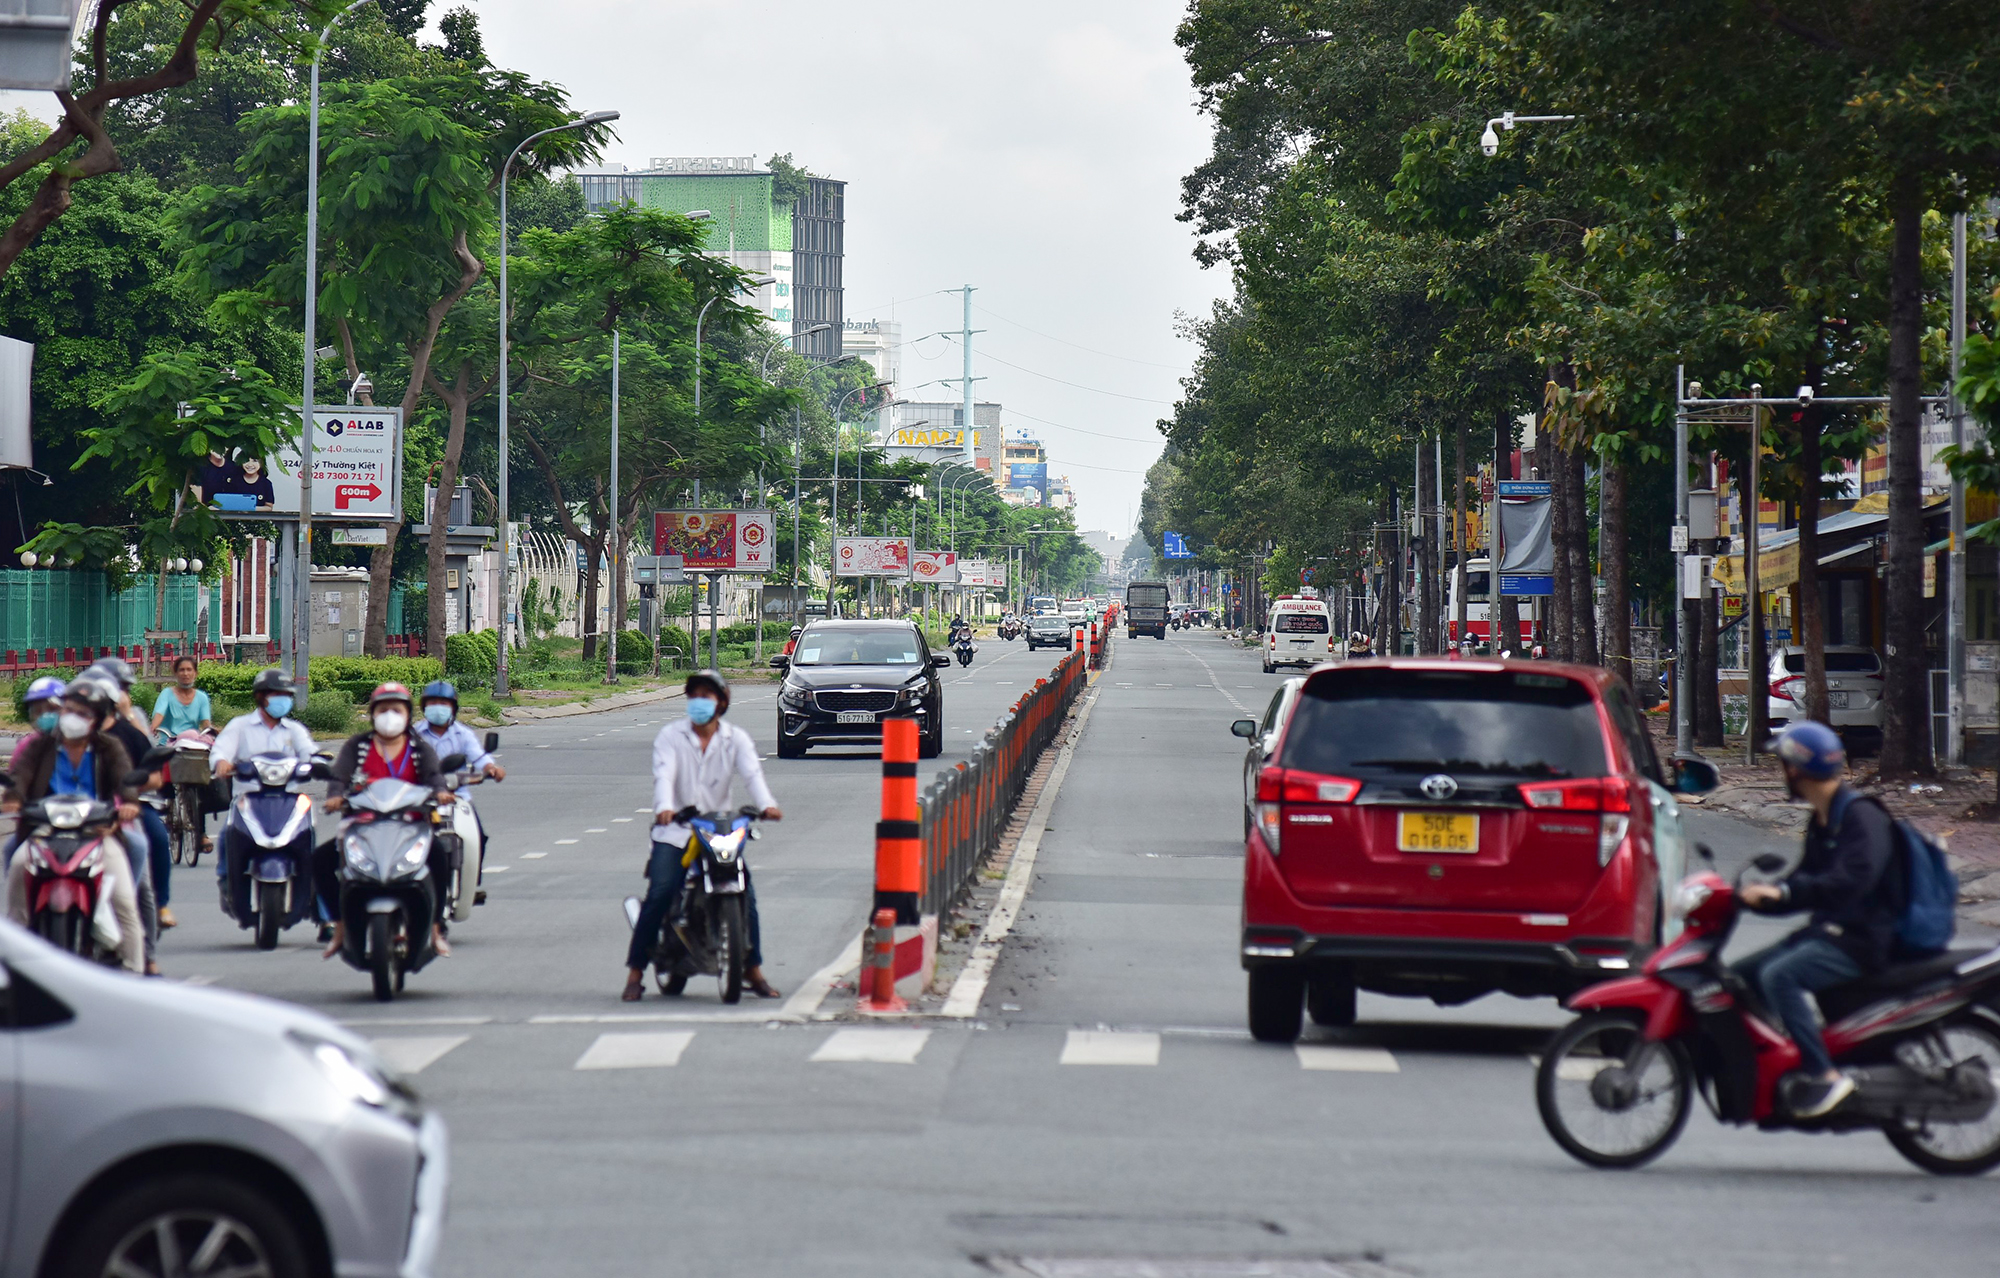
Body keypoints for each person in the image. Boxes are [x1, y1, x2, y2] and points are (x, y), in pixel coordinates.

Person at [1733, 720, 1904, 1119]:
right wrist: (1755, 899)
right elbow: (1804, 882)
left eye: (1783, 765)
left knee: (1780, 975)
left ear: (1796, 769)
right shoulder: (1822, 820)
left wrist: (1787, 893)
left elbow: (1851, 880)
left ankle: (1823, 1075)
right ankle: (1782, 1058)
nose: (1782, 773)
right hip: (1830, 932)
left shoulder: (1861, 818)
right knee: (1741, 975)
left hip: (1864, 939)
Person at [623, 670, 782, 1003]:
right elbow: (664, 775)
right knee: (662, 892)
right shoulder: (671, 737)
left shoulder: (735, 738)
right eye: (694, 695)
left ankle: (752, 970)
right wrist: (665, 807)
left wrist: (766, 805)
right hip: (676, 831)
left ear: (721, 702)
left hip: (717, 830)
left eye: (706, 696)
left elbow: (752, 774)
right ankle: (636, 974)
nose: (699, 702)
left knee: (746, 894)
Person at [2, 682, 145, 972]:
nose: (70, 717)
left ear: (95, 719)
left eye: (80, 712)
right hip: (44, 832)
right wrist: (14, 798)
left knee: (126, 906)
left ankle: (136, 973)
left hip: (96, 833)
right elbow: (20, 775)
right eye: (67, 709)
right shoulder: (40, 745)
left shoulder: (108, 747)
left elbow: (124, 778)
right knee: (16, 863)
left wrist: (128, 803)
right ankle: (12, 966)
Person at [319, 683, 454, 958]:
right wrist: (335, 796)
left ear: (407, 714)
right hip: (362, 827)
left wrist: (441, 792)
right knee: (321, 860)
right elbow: (339, 777)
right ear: (372, 714)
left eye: (396, 709)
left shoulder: (419, 748)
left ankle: (436, 928)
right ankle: (340, 924)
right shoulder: (357, 746)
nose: (389, 715)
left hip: (411, 826)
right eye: (383, 709)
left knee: (440, 857)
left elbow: (433, 776)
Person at [74, 667, 168, 965]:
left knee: (145, 855)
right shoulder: (63, 739)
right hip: (70, 821)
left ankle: (146, 958)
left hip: (118, 817)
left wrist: (128, 798)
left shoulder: (123, 737)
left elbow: (151, 779)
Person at [210, 669, 318, 920]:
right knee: (227, 836)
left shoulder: (294, 730)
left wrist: (317, 762)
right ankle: (227, 881)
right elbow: (220, 750)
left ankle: (314, 898)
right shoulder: (240, 726)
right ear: (260, 697)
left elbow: (310, 753)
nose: (282, 700)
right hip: (248, 800)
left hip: (288, 801)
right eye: (275, 694)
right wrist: (222, 763)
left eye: (285, 695)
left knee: (308, 837)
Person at [414, 680, 504, 909]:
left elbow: (479, 756)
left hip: (457, 796)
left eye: (443, 703)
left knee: (479, 837)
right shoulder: (414, 734)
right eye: (433, 702)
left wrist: (491, 768)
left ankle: (470, 886)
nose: (438, 707)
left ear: (453, 708)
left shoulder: (462, 734)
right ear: (424, 706)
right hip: (421, 797)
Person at [6, 676, 66, 774]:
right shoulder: (27, 747)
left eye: (52, 709)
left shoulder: (81, 744)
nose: (45, 715)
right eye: (38, 711)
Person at [152, 655, 215, 741]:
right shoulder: (166, 694)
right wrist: (152, 728)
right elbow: (159, 714)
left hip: (192, 744)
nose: (185, 674)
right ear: (176, 673)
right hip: (168, 743)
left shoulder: (202, 697)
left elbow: (206, 723)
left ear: (195, 673)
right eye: (182, 670)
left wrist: (211, 732)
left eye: (189, 670)